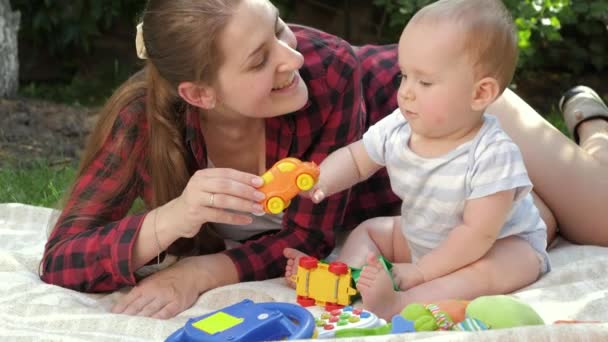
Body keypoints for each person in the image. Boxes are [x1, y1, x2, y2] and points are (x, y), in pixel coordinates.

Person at [40, 0, 608, 319]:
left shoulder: (328, 68)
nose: (294, 56)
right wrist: (172, 220)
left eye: (280, 26)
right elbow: (62, 259)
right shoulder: (145, 120)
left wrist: (206, 269)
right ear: (199, 95)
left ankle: (591, 126)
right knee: (516, 225)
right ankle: (537, 200)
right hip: (426, 186)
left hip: (455, 109)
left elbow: (312, 236)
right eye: (261, 58)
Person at [285, 0, 551, 320]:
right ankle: (344, 280)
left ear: (479, 94)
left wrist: (421, 272)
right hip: (421, 236)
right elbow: (356, 159)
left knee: (496, 268)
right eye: (404, 76)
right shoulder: (399, 125)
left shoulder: (493, 154)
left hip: (493, 245)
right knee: (370, 230)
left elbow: (476, 234)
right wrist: (320, 180)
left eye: (424, 82)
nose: (407, 92)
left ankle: (401, 303)